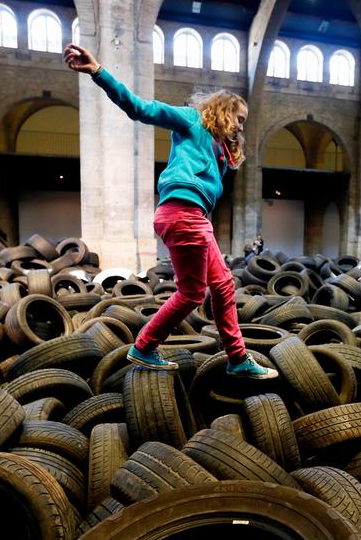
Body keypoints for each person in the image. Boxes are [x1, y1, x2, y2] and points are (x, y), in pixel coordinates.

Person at [63, 43, 277, 380]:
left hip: (190, 217)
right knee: (193, 293)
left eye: (243, 123)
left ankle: (234, 358)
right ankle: (147, 346)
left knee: (221, 286)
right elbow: (140, 108)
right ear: (222, 110)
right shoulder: (191, 121)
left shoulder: (221, 150)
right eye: (238, 119)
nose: (240, 127)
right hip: (183, 214)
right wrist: (98, 72)